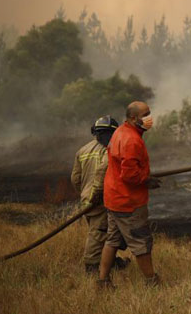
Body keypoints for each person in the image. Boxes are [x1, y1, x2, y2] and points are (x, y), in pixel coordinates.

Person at [97, 101, 162, 288]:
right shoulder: (132, 140)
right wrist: (147, 180)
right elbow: (130, 175)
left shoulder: (120, 132)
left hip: (114, 199)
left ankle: (102, 281)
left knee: (112, 240)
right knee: (141, 241)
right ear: (133, 118)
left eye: (149, 112)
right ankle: (152, 282)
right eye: (145, 114)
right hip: (128, 202)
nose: (149, 117)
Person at [70, 115, 130, 273]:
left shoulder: (82, 150)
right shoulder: (110, 149)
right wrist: (96, 194)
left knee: (106, 232)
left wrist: (84, 193)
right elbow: (104, 174)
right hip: (100, 199)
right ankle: (91, 266)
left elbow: (75, 179)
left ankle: (111, 262)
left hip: (87, 199)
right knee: (98, 233)